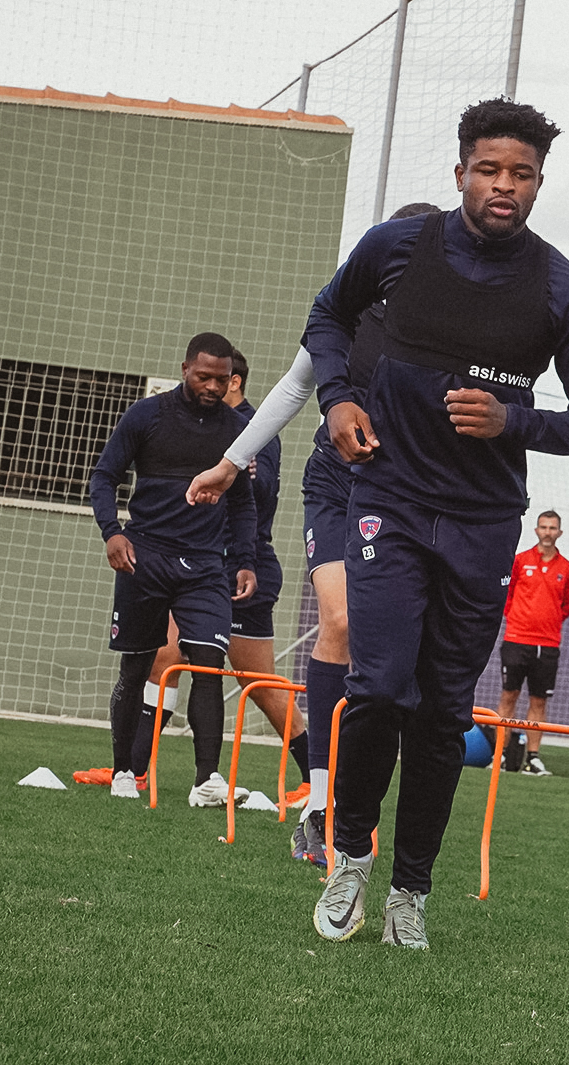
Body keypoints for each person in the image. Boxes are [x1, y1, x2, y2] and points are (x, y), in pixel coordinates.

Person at [305, 98, 569, 949]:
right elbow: (327, 319)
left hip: (482, 523)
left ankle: (412, 890)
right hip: (390, 502)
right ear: (460, 175)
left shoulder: (560, 289)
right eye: (490, 170)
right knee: (377, 688)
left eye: (521, 174)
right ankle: (351, 859)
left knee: (443, 711)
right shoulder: (397, 247)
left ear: (539, 185)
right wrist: (338, 400)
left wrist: (514, 422)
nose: (504, 186)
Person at [185, 202, 441, 867]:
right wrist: (227, 462)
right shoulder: (347, 312)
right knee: (343, 619)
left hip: (405, 495)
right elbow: (292, 391)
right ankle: (321, 797)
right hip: (337, 485)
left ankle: (363, 786)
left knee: (397, 658)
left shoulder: (453, 329)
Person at [90, 332, 257, 806]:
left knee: (208, 662)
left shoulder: (237, 430)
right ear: (185, 368)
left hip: (205, 566)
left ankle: (207, 781)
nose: (212, 386)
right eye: (203, 376)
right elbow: (104, 477)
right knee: (138, 665)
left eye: (221, 379)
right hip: (145, 557)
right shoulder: (148, 415)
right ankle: (125, 771)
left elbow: (242, 504)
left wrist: (245, 561)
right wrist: (112, 531)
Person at [494, 509, 569, 776]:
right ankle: (501, 756)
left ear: (559, 533)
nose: (548, 533)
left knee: (538, 701)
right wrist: (520, 620)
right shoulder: (520, 561)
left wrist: (547, 623)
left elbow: (567, 605)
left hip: (548, 645)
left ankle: (533, 758)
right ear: (536, 530)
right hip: (516, 640)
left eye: (553, 528)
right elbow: (507, 597)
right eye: (543, 527)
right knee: (509, 696)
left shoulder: (566, 568)